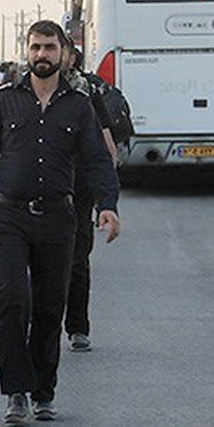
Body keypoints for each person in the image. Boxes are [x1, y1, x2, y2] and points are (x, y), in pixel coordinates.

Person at [0, 20, 121, 427]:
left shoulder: (79, 106)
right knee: (12, 300)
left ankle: (43, 391)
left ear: (63, 53)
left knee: (49, 307)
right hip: (9, 215)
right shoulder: (5, 100)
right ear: (26, 52)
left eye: (49, 48)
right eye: (35, 48)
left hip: (58, 219)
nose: (42, 55)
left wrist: (108, 204)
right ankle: (15, 392)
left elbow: (97, 160)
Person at [62, 47, 119, 354]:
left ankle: (78, 327)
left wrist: (107, 197)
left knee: (78, 259)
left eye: (66, 52)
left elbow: (105, 132)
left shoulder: (88, 90)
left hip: (80, 183)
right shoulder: (26, 92)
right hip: (41, 188)